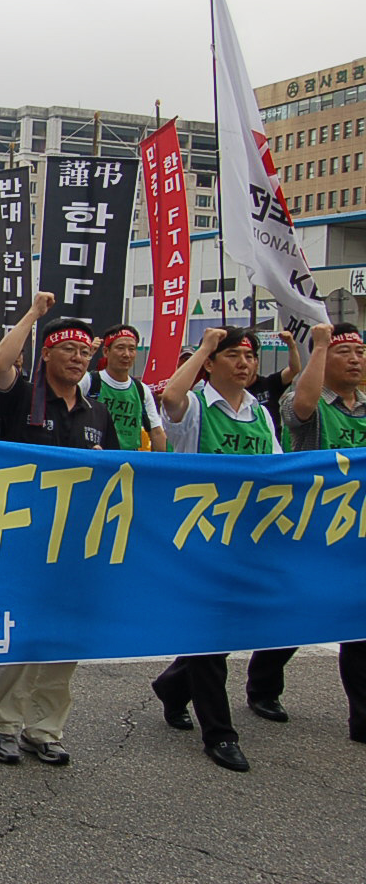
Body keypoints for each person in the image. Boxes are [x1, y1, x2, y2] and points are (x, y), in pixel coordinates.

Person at [0, 293, 117, 767]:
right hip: (29, 539)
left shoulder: (98, 414)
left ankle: (45, 728)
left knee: (65, 639)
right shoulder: (22, 396)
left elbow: (119, 475)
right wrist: (35, 315)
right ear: (45, 354)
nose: (78, 359)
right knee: (27, 635)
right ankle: (3, 723)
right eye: (68, 350)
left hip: (81, 543)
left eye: (85, 353)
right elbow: (0, 360)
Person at [150, 326, 280, 774]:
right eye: (234, 355)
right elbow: (170, 399)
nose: (245, 364)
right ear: (211, 363)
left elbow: (280, 470)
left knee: (230, 631)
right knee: (210, 633)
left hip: (248, 540)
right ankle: (220, 734)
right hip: (201, 538)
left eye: (251, 357)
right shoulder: (198, 406)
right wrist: (204, 345)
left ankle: (172, 684)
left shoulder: (260, 414)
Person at [244, 322, 366, 733]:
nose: (355, 359)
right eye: (344, 352)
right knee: (296, 616)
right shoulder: (308, 403)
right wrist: (318, 344)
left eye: (360, 353)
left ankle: (362, 719)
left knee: (358, 622)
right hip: (310, 532)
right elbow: (301, 406)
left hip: (357, 534)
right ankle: (261, 687)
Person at [80, 325, 167, 453]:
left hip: (128, 463)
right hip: (94, 458)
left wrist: (162, 467)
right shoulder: (89, 381)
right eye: (120, 348)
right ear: (106, 352)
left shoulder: (141, 390)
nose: (126, 354)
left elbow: (156, 432)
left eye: (132, 349)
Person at [247, 329, 301, 444]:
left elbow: (294, 369)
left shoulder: (270, 383)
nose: (243, 364)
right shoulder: (231, 391)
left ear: (256, 362)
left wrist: (291, 345)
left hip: (270, 446)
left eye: (248, 357)